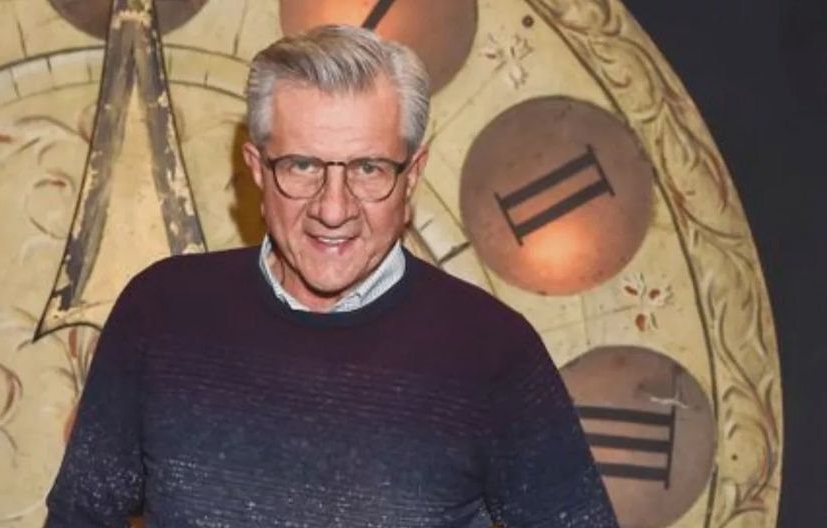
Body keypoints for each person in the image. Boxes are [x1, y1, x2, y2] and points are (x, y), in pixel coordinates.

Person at [45, 25, 618, 527]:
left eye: (368, 168)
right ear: (256, 169)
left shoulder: (494, 352)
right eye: (302, 165)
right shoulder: (161, 312)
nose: (334, 208)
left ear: (413, 174)